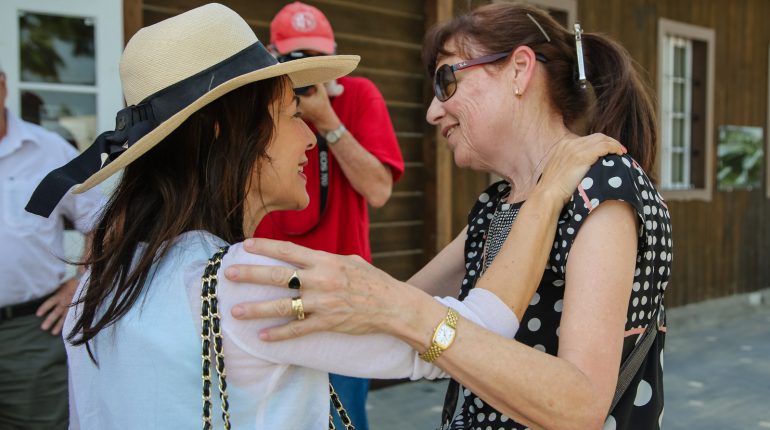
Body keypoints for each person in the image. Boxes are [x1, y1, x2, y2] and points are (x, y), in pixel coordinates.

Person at [24, 4, 622, 429]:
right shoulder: (244, 284)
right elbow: (474, 335)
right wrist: (543, 198)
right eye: (288, 113)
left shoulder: (107, 279)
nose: (309, 136)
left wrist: (501, 209)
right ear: (225, 133)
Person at [226, 3, 671, 430]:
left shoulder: (603, 185)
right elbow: (392, 312)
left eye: (445, 82)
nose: (433, 111)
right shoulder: (497, 204)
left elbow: (582, 404)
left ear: (519, 70)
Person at [258, 5, 405, 427]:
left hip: (342, 297)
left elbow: (378, 191)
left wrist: (328, 121)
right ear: (272, 55)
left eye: (318, 57)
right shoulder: (257, 104)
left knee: (344, 418)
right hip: (270, 292)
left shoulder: (358, 96)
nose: (309, 70)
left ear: (334, 55)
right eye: (297, 58)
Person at [0, 61, 101, 428]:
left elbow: (101, 220)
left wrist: (81, 283)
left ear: (3, 86)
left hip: (27, 333)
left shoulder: (48, 151)